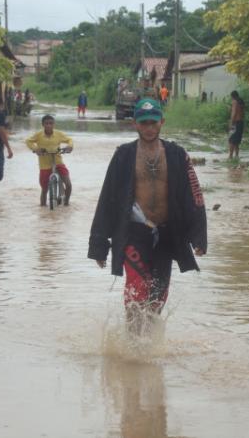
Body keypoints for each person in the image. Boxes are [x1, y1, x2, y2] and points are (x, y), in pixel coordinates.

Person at [88, 98, 207, 333]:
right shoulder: (123, 155)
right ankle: (132, 345)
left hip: (166, 234)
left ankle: (149, 345)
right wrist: (99, 245)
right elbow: (107, 199)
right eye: (144, 123)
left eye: (153, 122)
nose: (149, 128)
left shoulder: (176, 155)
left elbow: (193, 195)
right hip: (134, 233)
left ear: (162, 122)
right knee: (136, 290)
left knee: (157, 297)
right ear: (135, 124)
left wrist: (198, 236)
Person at [26, 114, 73, 206]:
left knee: (68, 184)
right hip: (44, 165)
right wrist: (36, 149)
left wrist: (69, 147)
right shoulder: (38, 135)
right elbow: (28, 141)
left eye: (51, 123)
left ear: (53, 124)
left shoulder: (58, 134)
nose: (48, 125)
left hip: (58, 162)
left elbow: (69, 140)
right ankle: (42, 208)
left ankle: (67, 203)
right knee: (44, 189)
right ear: (43, 125)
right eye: (46, 123)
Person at [228, 90, 245, 159]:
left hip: (236, 122)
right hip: (241, 122)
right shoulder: (241, 102)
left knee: (231, 140)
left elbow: (234, 113)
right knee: (237, 140)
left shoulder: (235, 102)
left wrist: (231, 123)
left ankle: (230, 156)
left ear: (232, 96)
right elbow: (241, 113)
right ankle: (237, 155)